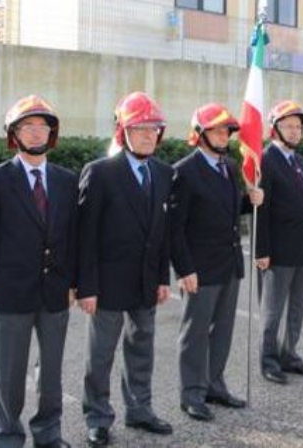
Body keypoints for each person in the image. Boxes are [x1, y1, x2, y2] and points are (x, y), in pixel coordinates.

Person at [0, 94, 78, 448]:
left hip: (55, 292)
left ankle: (49, 433)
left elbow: (73, 237)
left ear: (52, 133)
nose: (34, 133)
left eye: (41, 126)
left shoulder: (65, 180)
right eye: (26, 127)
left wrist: (74, 282)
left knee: (51, 373)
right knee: (10, 373)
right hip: (10, 291)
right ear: (13, 135)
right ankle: (8, 436)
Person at [77, 92, 174, 445]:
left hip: (145, 281)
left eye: (154, 129)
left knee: (142, 347)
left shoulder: (164, 173)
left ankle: (140, 409)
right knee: (100, 354)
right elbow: (85, 236)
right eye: (141, 128)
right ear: (123, 132)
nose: (149, 135)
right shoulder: (101, 173)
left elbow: (162, 232)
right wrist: (85, 286)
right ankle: (98, 417)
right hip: (106, 283)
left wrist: (163, 278)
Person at [170, 103, 264, 422]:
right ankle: (192, 393)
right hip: (200, 267)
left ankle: (215, 385)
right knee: (195, 332)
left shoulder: (229, 166)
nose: (224, 136)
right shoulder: (184, 171)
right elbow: (175, 227)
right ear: (200, 134)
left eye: (227, 131)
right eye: (216, 130)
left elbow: (225, 209)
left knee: (223, 329)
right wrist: (184, 269)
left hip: (229, 263)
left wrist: (247, 202)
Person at [254, 100, 303, 384]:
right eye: (288, 126)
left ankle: (289, 354)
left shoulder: (299, 160)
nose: (295, 132)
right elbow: (261, 211)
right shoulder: (266, 160)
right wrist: (261, 250)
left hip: (301, 247)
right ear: (275, 129)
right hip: (277, 251)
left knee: (297, 307)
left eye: (298, 127)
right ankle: (268, 361)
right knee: (272, 311)